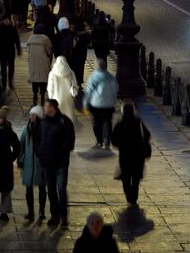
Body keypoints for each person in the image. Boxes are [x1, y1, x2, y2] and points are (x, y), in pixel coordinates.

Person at [37, 98, 76, 229]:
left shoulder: (64, 122)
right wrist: (40, 154)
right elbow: (38, 139)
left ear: (53, 107)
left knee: (61, 190)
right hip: (47, 163)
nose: (45, 108)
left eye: (47, 106)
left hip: (60, 163)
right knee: (51, 190)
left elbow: (70, 141)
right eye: (45, 106)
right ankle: (55, 216)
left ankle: (64, 217)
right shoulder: (43, 122)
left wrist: (59, 154)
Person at [109, 101, 151, 208]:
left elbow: (113, 140)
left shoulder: (120, 124)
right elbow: (147, 135)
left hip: (125, 155)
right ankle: (134, 198)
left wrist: (120, 145)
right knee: (136, 178)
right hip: (138, 155)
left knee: (126, 178)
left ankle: (129, 197)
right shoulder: (138, 122)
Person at [19, 106, 49, 223]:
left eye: (33, 115)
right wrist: (20, 159)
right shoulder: (27, 129)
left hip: (40, 164)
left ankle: (41, 211)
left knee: (42, 188)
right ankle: (31, 212)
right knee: (28, 189)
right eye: (30, 114)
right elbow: (21, 143)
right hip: (28, 164)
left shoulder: (44, 130)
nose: (31, 116)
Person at [84, 58, 119, 148]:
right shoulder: (110, 76)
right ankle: (107, 140)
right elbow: (116, 89)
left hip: (96, 104)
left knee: (97, 123)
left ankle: (99, 140)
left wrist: (85, 105)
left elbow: (88, 92)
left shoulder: (93, 77)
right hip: (109, 104)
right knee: (108, 122)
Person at [25, 25, 54, 107]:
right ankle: (42, 98)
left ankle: (34, 96)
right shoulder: (45, 39)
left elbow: (28, 52)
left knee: (34, 80)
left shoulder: (30, 40)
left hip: (33, 64)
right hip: (43, 63)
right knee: (43, 81)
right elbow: (49, 52)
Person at [0, 15, 21, 87]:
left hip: (11, 51)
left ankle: (10, 81)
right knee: (3, 69)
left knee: (11, 68)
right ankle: (4, 83)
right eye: (5, 20)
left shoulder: (12, 28)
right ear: (3, 21)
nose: (7, 21)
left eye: (8, 20)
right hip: (2, 52)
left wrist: (18, 49)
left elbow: (17, 40)